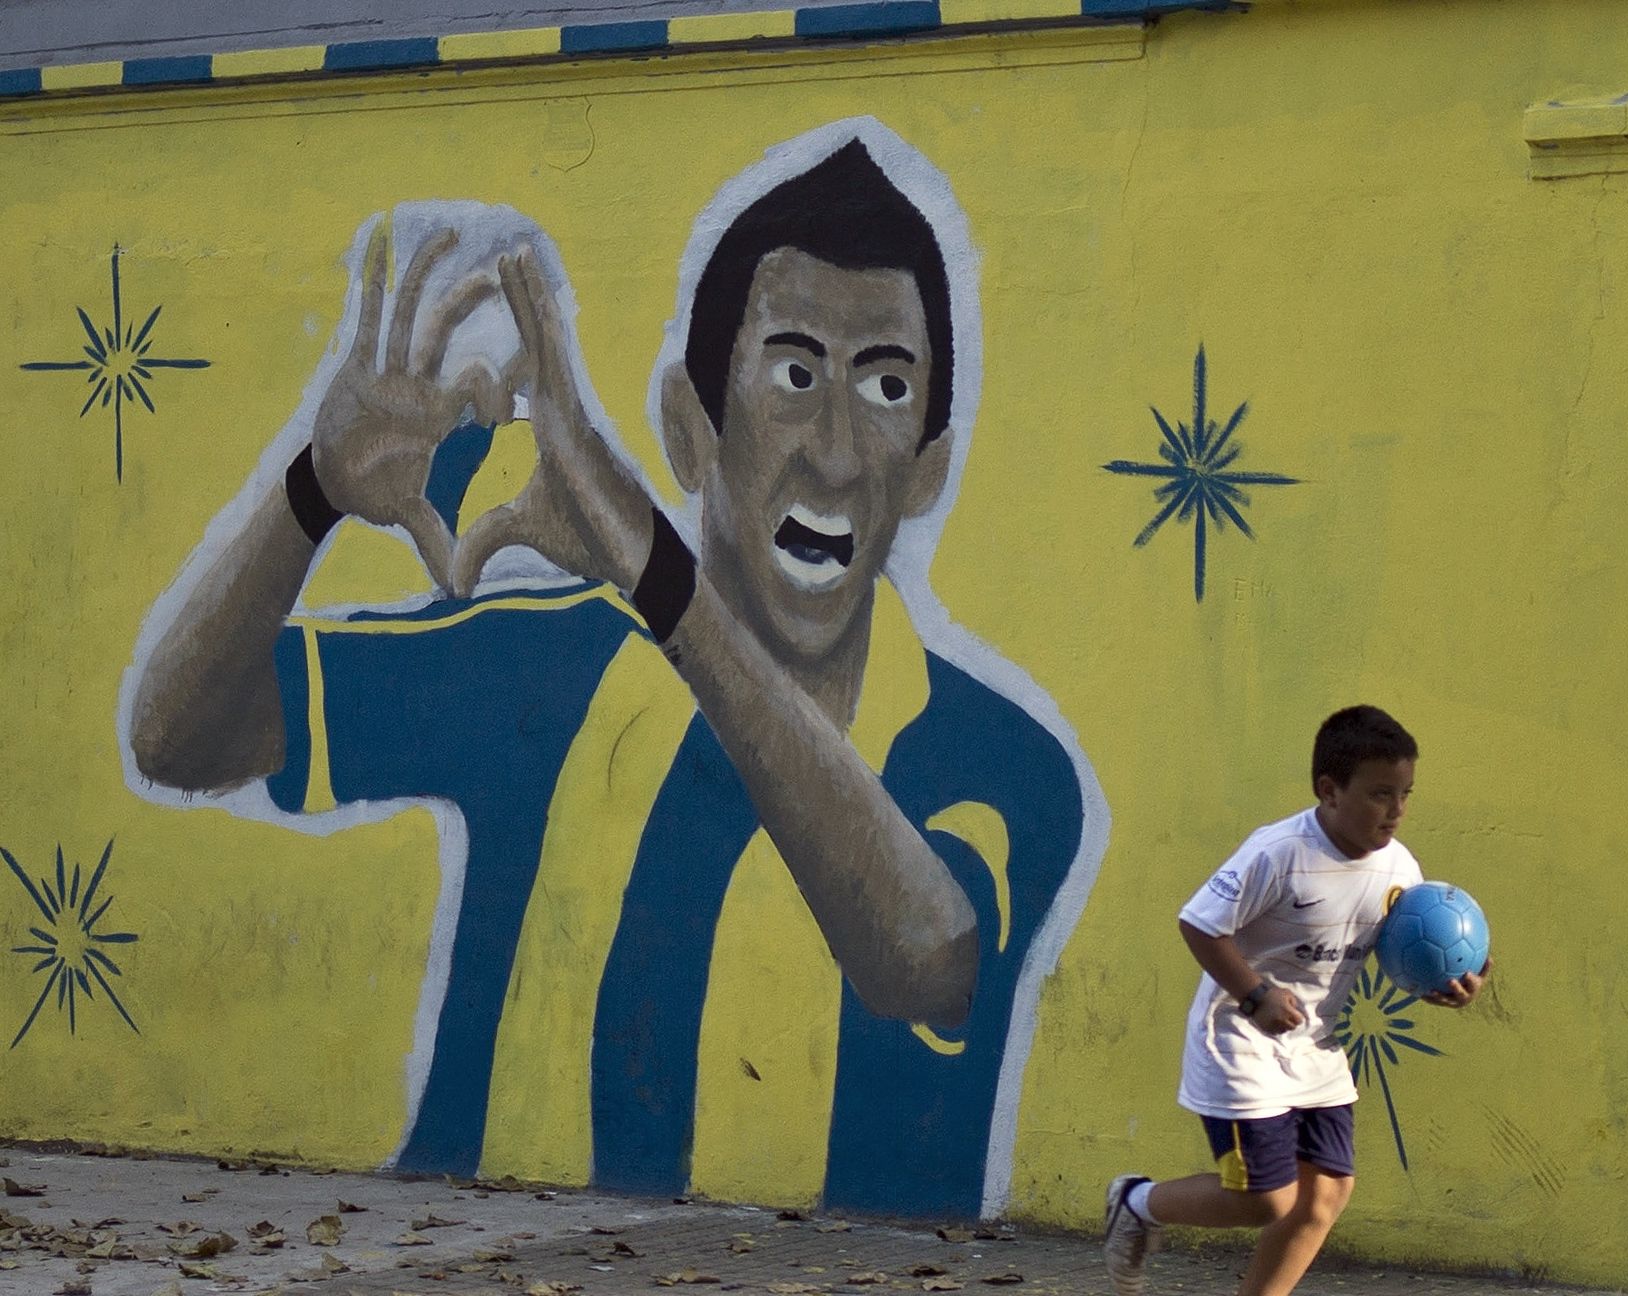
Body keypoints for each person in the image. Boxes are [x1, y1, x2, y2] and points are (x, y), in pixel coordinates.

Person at [119, 119, 1103, 1217]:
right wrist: (311, 492)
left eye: (883, 390)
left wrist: (659, 576)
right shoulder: (544, 671)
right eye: (791, 372)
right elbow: (175, 738)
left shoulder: (1009, 766)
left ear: (929, 469)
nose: (833, 450)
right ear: (690, 427)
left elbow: (926, 960)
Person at [1101, 705, 1489, 1296]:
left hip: (1316, 1047)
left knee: (1325, 1195)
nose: (1398, 810)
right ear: (1329, 791)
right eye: (1381, 794)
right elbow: (1200, 924)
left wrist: (1452, 985)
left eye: (1406, 793)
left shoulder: (1401, 869)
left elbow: (1412, 949)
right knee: (1266, 1198)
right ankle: (1136, 1202)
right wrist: (1254, 993)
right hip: (1241, 1038)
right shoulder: (1277, 853)